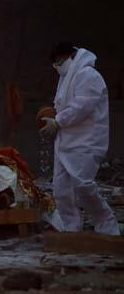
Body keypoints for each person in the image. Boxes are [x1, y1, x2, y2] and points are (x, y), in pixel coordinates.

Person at [40, 43, 119, 235]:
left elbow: (82, 106)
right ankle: (71, 229)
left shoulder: (88, 76)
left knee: (83, 186)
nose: (57, 66)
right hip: (65, 141)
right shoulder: (66, 78)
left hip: (86, 141)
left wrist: (58, 121)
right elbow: (62, 106)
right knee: (62, 190)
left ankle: (107, 226)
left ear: (71, 56)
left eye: (59, 61)